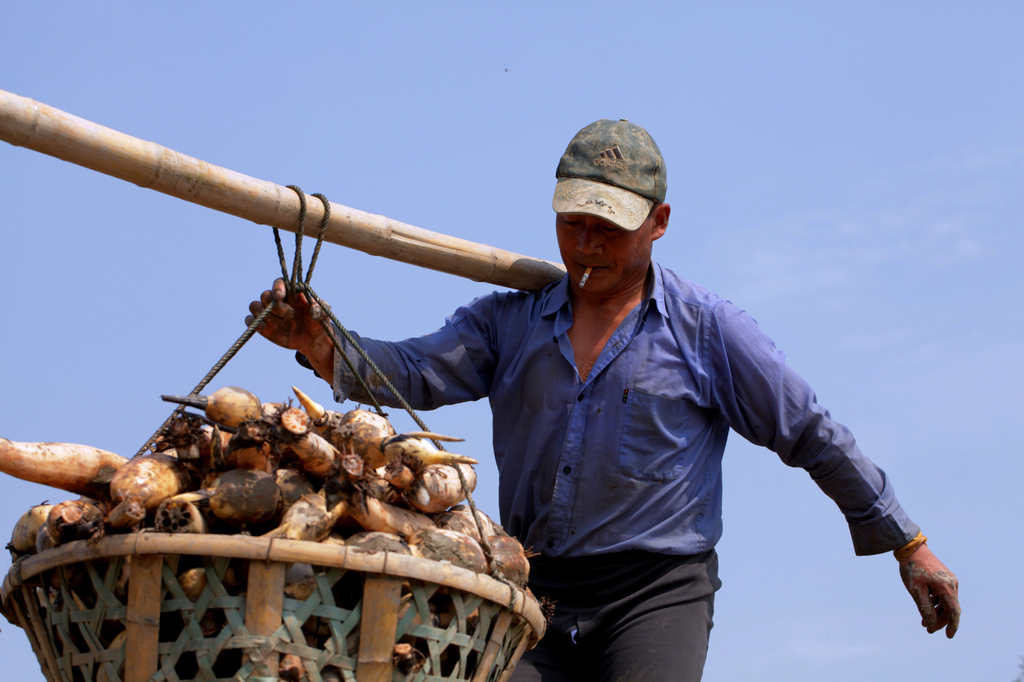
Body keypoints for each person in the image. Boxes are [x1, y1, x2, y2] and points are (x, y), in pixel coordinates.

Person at [247, 119, 960, 681]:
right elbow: (412, 371)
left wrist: (909, 544)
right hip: (528, 591)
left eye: (609, 229)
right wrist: (321, 341)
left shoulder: (708, 331)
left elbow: (809, 432)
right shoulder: (510, 322)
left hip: (655, 591)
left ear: (659, 222)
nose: (587, 245)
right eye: (572, 223)